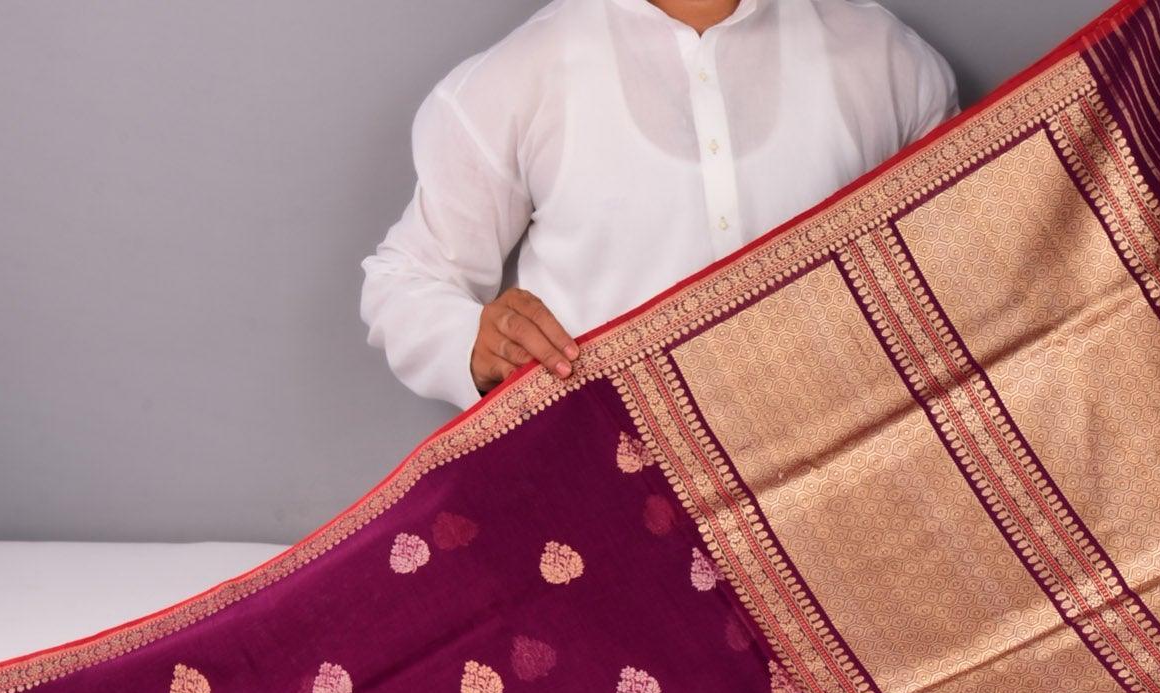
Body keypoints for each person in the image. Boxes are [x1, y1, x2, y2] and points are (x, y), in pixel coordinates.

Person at [359, 0, 960, 413]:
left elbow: (964, 269)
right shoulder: (520, 77)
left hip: (853, 488)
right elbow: (403, 280)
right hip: (616, 494)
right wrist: (475, 341)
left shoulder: (888, 61)